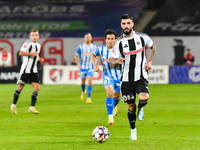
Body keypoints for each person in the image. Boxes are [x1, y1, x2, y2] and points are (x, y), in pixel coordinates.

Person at [111, 14, 156, 140]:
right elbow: (113, 63)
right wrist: (116, 62)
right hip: (126, 80)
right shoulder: (119, 43)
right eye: (123, 24)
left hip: (140, 76)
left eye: (128, 23)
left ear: (132, 24)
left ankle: (140, 107)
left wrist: (150, 62)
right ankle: (133, 131)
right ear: (121, 25)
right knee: (130, 106)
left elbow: (153, 47)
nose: (126, 26)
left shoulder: (142, 37)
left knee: (144, 97)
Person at [11, 29, 44, 114]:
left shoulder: (38, 45)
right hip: (25, 70)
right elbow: (21, 53)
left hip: (34, 70)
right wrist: (31, 54)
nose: (34, 37)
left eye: (36, 35)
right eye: (32, 35)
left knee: (37, 87)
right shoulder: (27, 44)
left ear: (38, 36)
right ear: (30, 36)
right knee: (20, 87)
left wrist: (39, 58)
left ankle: (32, 107)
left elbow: (35, 56)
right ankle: (13, 105)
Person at [92, 29, 121, 125]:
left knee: (117, 96)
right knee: (110, 92)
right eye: (108, 38)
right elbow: (93, 54)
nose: (110, 40)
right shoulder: (101, 49)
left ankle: (114, 106)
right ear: (105, 40)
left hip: (119, 76)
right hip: (107, 75)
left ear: (115, 40)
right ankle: (110, 118)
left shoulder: (119, 50)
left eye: (112, 39)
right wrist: (95, 65)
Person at [75, 33, 96, 103]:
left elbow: (95, 56)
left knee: (89, 81)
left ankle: (88, 98)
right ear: (84, 38)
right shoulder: (80, 47)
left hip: (90, 67)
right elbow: (76, 55)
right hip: (83, 67)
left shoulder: (94, 47)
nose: (87, 38)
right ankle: (83, 91)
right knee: (83, 81)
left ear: (91, 38)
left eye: (89, 37)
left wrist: (95, 64)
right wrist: (78, 64)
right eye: (86, 37)